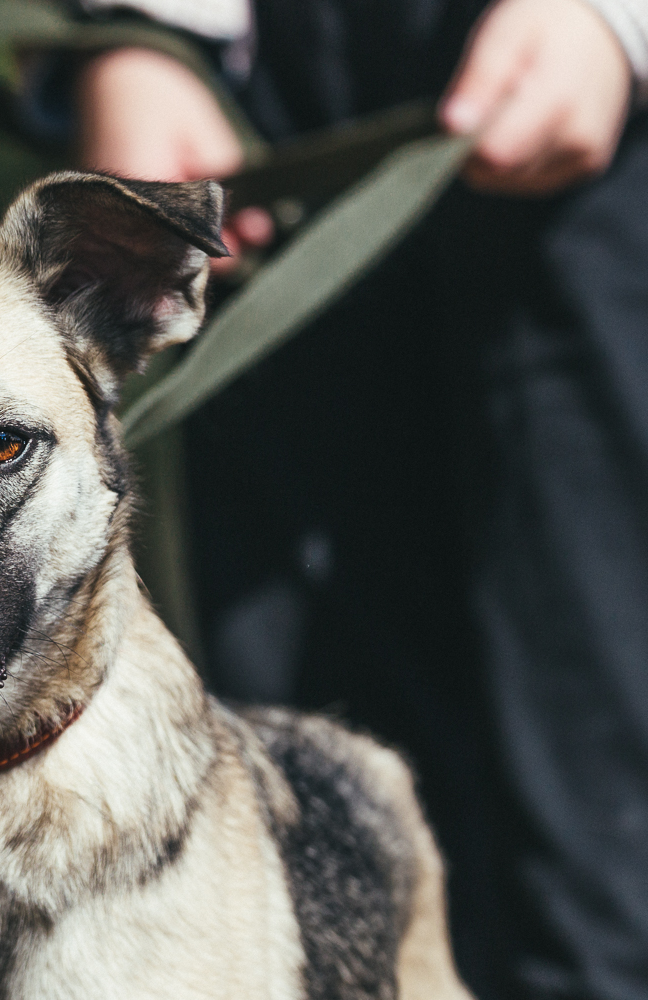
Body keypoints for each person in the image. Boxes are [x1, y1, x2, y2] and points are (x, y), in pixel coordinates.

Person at [63, 1, 648, 998]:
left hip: (605, 143)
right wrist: (141, 38)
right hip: (268, 106)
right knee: (316, 854)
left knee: (604, 836)